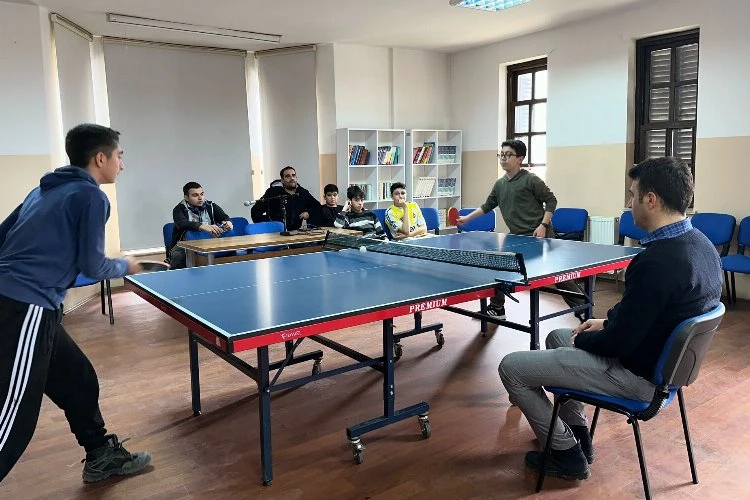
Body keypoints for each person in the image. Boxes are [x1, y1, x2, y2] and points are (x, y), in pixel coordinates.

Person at [498, 156, 722, 481]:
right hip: (663, 368)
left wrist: (586, 339)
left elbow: (618, 343)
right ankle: (577, 432)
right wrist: (604, 323)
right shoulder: (702, 246)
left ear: (651, 199)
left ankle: (566, 454)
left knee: (512, 368)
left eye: (633, 195)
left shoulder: (657, 262)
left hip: (638, 378)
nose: (630, 204)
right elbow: (655, 313)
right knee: (556, 337)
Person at [0, 124, 152, 483]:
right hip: (25, 306)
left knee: (77, 378)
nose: (122, 165)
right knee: (13, 417)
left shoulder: (43, 190)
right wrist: (127, 266)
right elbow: (93, 265)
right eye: (119, 156)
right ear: (100, 158)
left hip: (34, 304)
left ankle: (100, 455)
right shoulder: (91, 197)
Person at [456, 139, 578, 320]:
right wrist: (467, 218)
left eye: (508, 155)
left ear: (520, 158)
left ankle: (583, 310)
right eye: (501, 154)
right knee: (497, 265)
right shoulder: (500, 184)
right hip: (516, 237)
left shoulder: (531, 179)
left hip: (539, 236)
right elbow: (488, 205)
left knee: (560, 277)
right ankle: (497, 308)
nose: (503, 158)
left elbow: (551, 200)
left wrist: (543, 225)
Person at [168, 182, 233, 270]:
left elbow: (224, 217)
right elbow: (182, 224)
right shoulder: (179, 209)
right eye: (195, 195)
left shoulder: (211, 206)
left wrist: (228, 222)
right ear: (186, 197)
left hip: (209, 243)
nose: (200, 198)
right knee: (178, 255)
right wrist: (202, 226)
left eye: (202, 194)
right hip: (185, 245)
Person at [251, 166, 320, 231]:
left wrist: (308, 213)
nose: (292, 178)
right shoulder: (273, 192)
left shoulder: (302, 192)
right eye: (288, 176)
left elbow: (317, 207)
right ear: (282, 180)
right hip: (275, 233)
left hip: (296, 233)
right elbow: (255, 211)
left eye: (293, 175)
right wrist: (269, 225)